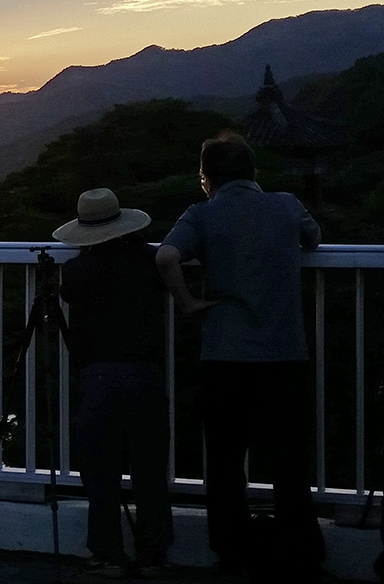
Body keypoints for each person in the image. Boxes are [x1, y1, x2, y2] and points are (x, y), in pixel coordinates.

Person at [156, 131, 324, 580]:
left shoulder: (202, 213)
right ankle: (301, 554)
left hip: (225, 355)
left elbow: (167, 256)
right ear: (253, 171)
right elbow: (312, 239)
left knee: (226, 462)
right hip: (285, 353)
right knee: (290, 461)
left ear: (206, 177)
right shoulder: (286, 204)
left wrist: (187, 303)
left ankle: (233, 552)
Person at [54, 188, 174, 577]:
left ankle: (108, 553)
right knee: (149, 468)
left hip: (97, 376)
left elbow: (68, 294)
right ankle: (153, 554)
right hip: (145, 372)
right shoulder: (150, 261)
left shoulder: (76, 271)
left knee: (100, 470)